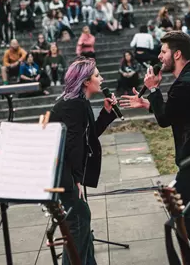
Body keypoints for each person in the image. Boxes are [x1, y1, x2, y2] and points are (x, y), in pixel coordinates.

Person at [120, 32, 190, 265]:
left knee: (177, 203)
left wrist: (153, 90)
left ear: (177, 53)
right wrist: (149, 103)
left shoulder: (187, 82)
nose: (159, 56)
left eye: (163, 52)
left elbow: (165, 119)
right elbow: (173, 112)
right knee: (186, 201)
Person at [49, 58, 117, 265]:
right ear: (86, 81)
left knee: (81, 219)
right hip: (61, 173)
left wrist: (106, 112)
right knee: (77, 222)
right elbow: (71, 147)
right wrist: (76, 179)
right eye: (97, 75)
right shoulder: (73, 105)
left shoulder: (79, 102)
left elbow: (89, 135)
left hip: (65, 172)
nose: (101, 78)